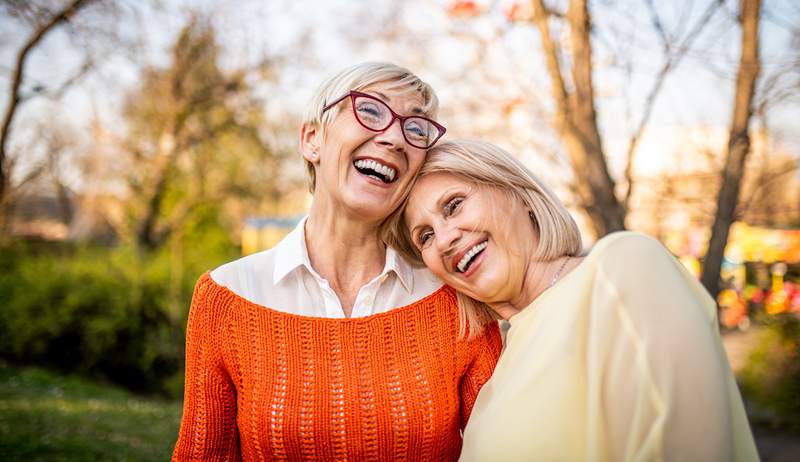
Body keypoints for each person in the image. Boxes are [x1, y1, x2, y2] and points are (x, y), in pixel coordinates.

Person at [172, 65, 502, 461]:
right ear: (312, 139)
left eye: (415, 129)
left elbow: (500, 449)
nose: (395, 138)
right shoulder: (227, 297)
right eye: (372, 110)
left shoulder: (456, 299)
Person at [385, 139, 759, 461]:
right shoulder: (495, 368)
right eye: (425, 236)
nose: (446, 238)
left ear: (519, 195)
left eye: (454, 205)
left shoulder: (620, 267)